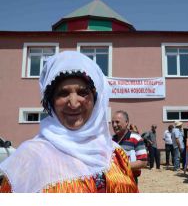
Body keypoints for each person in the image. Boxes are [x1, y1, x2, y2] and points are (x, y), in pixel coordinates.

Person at [0, 51, 138, 193]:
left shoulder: (113, 153)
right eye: (63, 93)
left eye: (82, 92)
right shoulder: (29, 158)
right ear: (51, 102)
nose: (73, 103)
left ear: (95, 99)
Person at [112, 110, 147, 184]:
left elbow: (143, 162)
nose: (114, 125)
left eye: (117, 122)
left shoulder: (136, 138)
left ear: (126, 122)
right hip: (113, 181)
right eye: (112, 122)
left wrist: (120, 166)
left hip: (130, 182)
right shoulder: (111, 140)